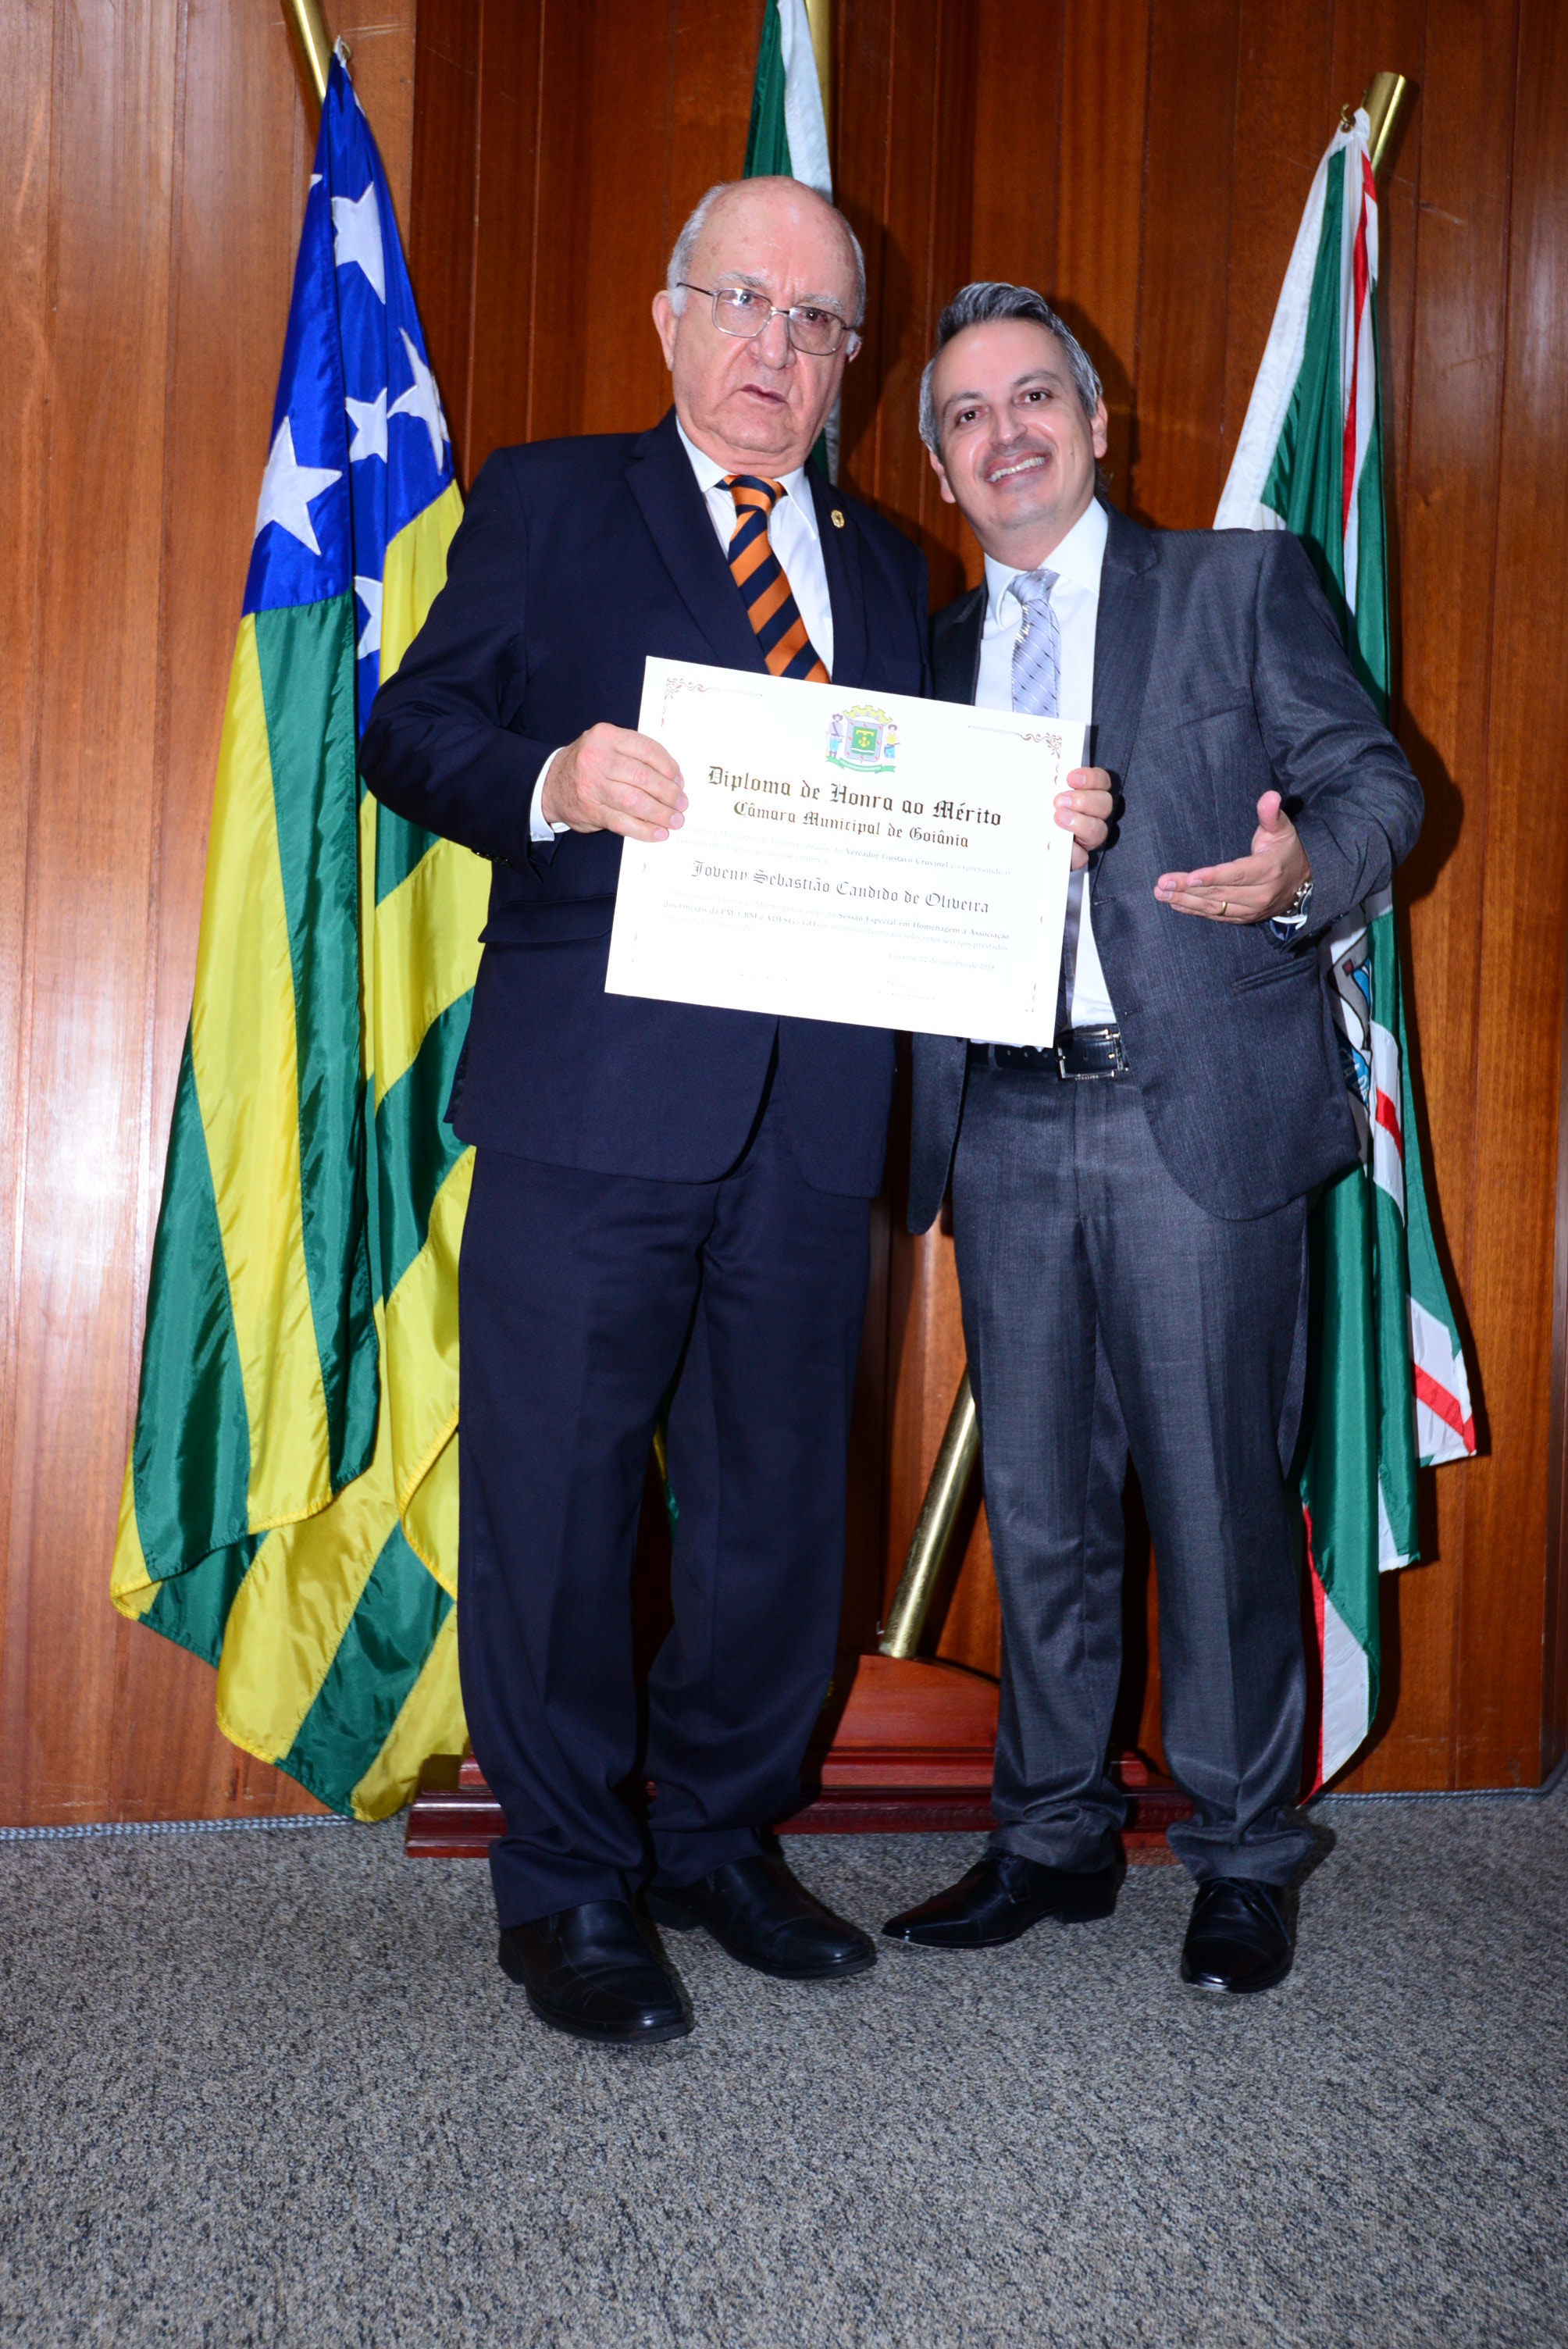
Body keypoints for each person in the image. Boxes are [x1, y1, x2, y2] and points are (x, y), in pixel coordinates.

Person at [360, 179, 941, 2047]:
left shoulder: (892, 565)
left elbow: (931, 813)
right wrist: (554, 775)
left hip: (812, 1112)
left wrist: (1038, 822)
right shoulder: (546, 501)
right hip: (590, 1098)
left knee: (773, 1510)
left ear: (848, 361)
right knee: (557, 1502)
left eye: (815, 320)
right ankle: (563, 1883)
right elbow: (407, 730)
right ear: (668, 317)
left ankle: (714, 1838)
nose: (775, 343)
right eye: (742, 300)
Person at [881, 282, 1424, 1993]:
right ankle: (1050, 1836)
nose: (1005, 434)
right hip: (1000, 1118)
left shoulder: (1236, 586)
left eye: (1033, 396)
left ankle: (1244, 1853)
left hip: (1190, 1110)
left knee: (1216, 1500)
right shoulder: (925, 658)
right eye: (966, 416)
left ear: (1097, 421)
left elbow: (1378, 788)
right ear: (938, 466)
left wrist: (1294, 875)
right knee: (1042, 1506)